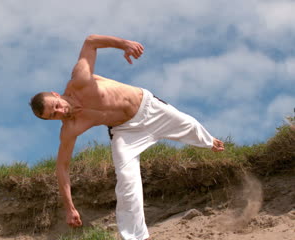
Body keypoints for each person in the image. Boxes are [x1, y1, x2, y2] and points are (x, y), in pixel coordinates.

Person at [29, 34, 225, 240]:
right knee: (126, 180)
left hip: (148, 108)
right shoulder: (70, 128)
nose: (60, 112)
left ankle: (208, 141)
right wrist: (69, 207)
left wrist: (124, 44)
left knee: (189, 125)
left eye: (56, 106)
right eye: (53, 115)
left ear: (56, 95)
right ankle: (136, 237)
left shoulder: (80, 80)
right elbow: (62, 167)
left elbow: (90, 41)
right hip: (125, 131)